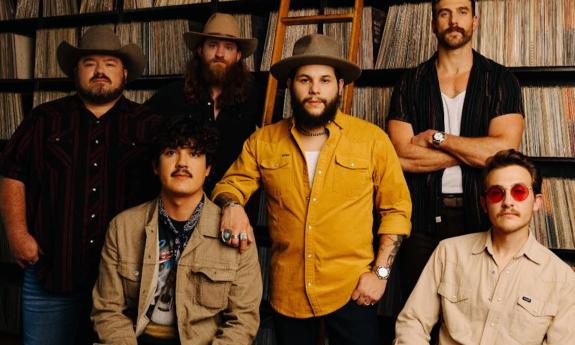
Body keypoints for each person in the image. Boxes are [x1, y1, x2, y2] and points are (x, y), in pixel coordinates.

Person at [212, 33, 412, 345]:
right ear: (290, 84)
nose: (315, 90)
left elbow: (396, 210)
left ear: (340, 86)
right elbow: (230, 185)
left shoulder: (371, 140)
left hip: (354, 290)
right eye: (305, 80)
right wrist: (232, 206)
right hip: (288, 292)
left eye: (325, 80)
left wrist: (380, 275)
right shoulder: (263, 141)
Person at [0, 27, 161, 345]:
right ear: (76, 71)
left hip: (124, 282)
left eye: (110, 63)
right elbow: (11, 172)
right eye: (90, 62)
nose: (100, 71)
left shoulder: (150, 125)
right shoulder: (43, 119)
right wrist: (17, 234)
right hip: (52, 270)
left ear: (124, 73)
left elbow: (174, 187)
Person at [385, 0, 525, 313]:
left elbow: (504, 153)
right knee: (418, 313)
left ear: (474, 21)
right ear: (434, 23)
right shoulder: (410, 82)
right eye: (444, 13)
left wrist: (439, 139)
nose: (453, 21)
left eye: (462, 12)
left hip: (482, 217)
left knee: (478, 314)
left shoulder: (500, 80)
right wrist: (475, 152)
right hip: (420, 217)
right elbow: (400, 155)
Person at [92, 115, 262, 345]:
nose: (182, 163)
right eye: (171, 152)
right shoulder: (123, 227)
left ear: (208, 169)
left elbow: (243, 321)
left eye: (194, 154)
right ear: (155, 166)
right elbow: (107, 311)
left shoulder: (234, 230)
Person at [394, 149, 575, 345]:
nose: (507, 202)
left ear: (536, 202)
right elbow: (413, 323)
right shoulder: (449, 252)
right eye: (497, 193)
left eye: (519, 192)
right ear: (484, 204)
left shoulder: (562, 278)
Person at [145, 12, 262, 194]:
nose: (220, 54)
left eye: (229, 47)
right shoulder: (172, 94)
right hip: (180, 206)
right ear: (200, 50)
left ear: (239, 55)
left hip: (234, 207)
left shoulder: (255, 96)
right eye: (213, 45)